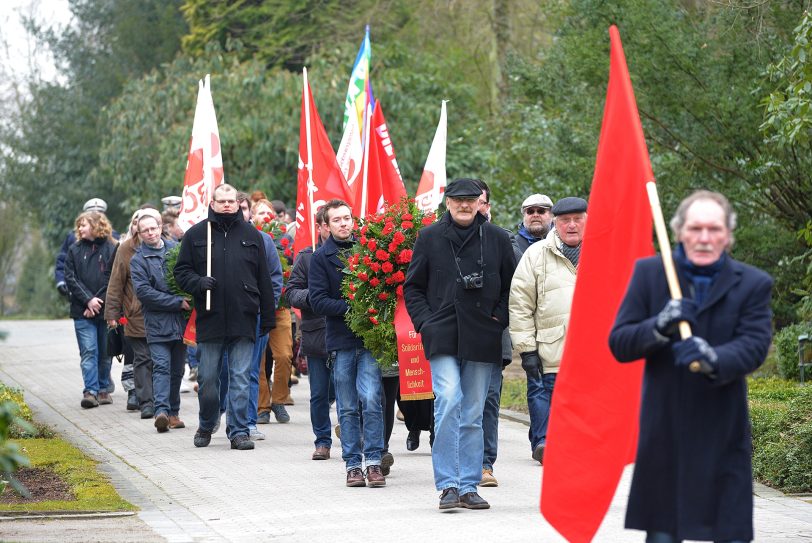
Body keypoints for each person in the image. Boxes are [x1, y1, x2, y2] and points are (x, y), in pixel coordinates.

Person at [609, 190, 772, 543]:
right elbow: (619, 342)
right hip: (665, 433)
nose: (704, 238)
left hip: (722, 433)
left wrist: (714, 357)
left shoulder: (754, 284)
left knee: (729, 534)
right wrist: (658, 326)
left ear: (728, 235)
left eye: (714, 229)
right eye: (695, 228)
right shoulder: (651, 274)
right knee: (663, 536)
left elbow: (755, 345)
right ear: (680, 231)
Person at [404, 178, 516, 511]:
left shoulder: (497, 238)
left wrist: (498, 318)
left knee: (472, 413)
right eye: (457, 199)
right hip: (442, 332)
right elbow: (413, 288)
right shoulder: (429, 237)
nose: (464, 205)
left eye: (471, 199)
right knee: (449, 399)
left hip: (483, 333)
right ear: (447, 203)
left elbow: (513, 288)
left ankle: (468, 485)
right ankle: (447, 485)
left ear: (481, 203)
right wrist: (425, 322)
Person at [174, 183, 276, 451]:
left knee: (241, 377)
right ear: (213, 203)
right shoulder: (197, 234)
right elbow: (181, 272)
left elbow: (264, 279)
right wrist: (198, 282)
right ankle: (207, 423)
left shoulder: (251, 235)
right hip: (211, 318)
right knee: (208, 379)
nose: (228, 205)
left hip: (244, 317)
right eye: (223, 201)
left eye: (232, 201)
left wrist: (267, 317)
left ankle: (239, 431)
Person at [310, 199, 386, 488]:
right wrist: (354, 308)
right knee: (348, 405)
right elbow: (318, 301)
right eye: (337, 220)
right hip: (341, 341)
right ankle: (353, 465)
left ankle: (375, 461)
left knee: (371, 399)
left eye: (347, 218)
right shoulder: (321, 258)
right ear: (327, 226)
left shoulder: (367, 250)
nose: (344, 224)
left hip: (368, 339)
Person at [509, 196, 586, 464]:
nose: (572, 225)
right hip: (549, 347)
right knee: (542, 392)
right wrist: (526, 349)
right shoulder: (536, 254)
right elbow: (520, 304)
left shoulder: (603, 252)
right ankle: (543, 442)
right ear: (557, 222)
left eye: (578, 219)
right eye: (566, 220)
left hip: (590, 350)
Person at [472, 179, 515, 488]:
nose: (476, 207)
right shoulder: (446, 239)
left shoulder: (503, 241)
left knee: (488, 401)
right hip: (455, 338)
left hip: (491, 336)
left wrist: (498, 318)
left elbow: (513, 289)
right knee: (457, 402)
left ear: (488, 207)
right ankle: (459, 459)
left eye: (482, 202)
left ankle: (486, 464)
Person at [130, 214, 190, 433]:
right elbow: (144, 293)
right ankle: (161, 412)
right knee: (161, 367)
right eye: (145, 230)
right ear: (139, 233)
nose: (150, 233)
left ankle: (174, 413)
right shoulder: (138, 260)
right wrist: (176, 302)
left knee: (177, 371)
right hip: (157, 324)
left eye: (153, 228)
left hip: (181, 323)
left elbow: (187, 276)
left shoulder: (176, 250)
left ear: (160, 227)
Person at [286, 206, 335, 460]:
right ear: (320, 227)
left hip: (346, 334)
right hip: (317, 334)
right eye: (329, 223)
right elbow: (292, 292)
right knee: (319, 393)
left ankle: (349, 431)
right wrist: (315, 296)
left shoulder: (355, 253)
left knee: (343, 389)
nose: (336, 226)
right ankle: (323, 441)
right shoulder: (307, 257)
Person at [106, 208, 162, 417]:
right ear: (136, 227)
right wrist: (112, 314)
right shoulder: (125, 249)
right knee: (142, 358)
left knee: (160, 359)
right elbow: (116, 282)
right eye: (139, 223)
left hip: (163, 313)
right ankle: (145, 401)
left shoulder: (168, 247)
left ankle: (160, 400)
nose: (146, 229)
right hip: (136, 313)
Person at [65, 210, 117, 408]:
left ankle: (103, 389)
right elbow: (71, 278)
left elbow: (113, 278)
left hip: (104, 310)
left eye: (83, 225)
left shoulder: (112, 247)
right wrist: (88, 301)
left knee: (105, 352)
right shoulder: (74, 249)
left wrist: (97, 302)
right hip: (82, 311)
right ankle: (90, 391)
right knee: (89, 351)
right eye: (79, 225)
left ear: (96, 226)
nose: (79, 229)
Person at [252, 198, 292, 424]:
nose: (266, 216)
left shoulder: (285, 239)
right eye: (261, 213)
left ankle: (279, 399)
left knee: (284, 355)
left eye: (270, 213)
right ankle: (262, 405)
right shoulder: (250, 238)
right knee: (257, 360)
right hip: (256, 309)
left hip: (280, 306)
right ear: (253, 216)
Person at [511, 193, 553, 260]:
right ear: (524, 216)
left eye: (541, 211)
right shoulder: (513, 246)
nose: (535, 215)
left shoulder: (561, 243)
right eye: (530, 211)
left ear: (551, 215)